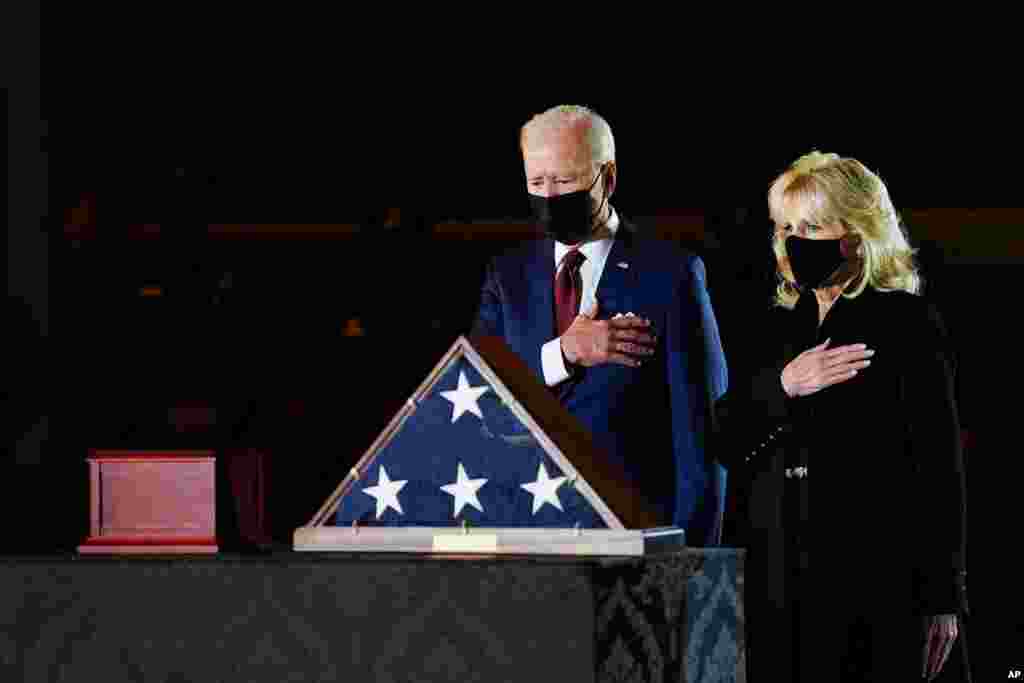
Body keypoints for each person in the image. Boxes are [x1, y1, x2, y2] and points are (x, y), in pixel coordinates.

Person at [712, 151, 969, 680]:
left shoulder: (906, 322)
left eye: (811, 226)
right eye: (785, 227)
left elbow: (940, 467)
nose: (792, 241)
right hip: (779, 580)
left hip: (874, 580)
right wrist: (786, 385)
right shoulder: (775, 326)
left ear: (856, 233)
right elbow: (723, 437)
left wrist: (943, 597)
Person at [471, 105, 729, 545]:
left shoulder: (671, 274)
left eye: (566, 181)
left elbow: (701, 444)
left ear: (607, 179)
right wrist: (564, 354)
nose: (550, 197)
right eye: (537, 182)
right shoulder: (506, 276)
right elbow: (479, 398)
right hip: (526, 543)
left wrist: (691, 566)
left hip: (631, 542)